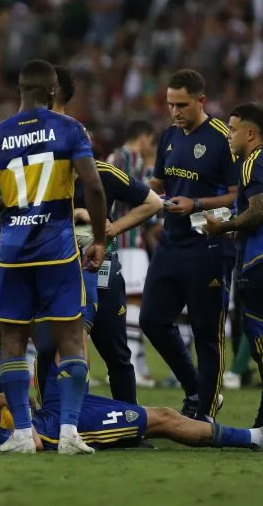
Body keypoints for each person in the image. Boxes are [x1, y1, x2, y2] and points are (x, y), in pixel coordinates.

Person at [0, 59, 107, 455]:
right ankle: (69, 434)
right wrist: (99, 238)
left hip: (12, 255)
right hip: (58, 253)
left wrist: (7, 203)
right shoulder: (70, 129)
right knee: (71, 341)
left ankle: (23, 435)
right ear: (52, 92)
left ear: (20, 91)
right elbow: (93, 188)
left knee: (12, 341)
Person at [37, 65, 163, 405]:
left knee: (116, 352)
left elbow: (152, 203)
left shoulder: (104, 174)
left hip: (101, 268)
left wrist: (111, 227)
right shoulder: (42, 176)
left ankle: (129, 422)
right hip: (55, 268)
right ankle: (59, 416)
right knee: (50, 347)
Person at [0, 365, 263, 453]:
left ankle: (206, 426)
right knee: (162, 420)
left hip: (55, 411)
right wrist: (14, 409)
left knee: (153, 417)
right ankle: (255, 438)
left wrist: (18, 406)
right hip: (64, 426)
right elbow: (26, 442)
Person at [142, 69, 238, 421]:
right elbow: (160, 180)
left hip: (208, 246)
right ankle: (195, 387)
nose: (174, 112)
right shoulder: (168, 136)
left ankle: (206, 414)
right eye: (169, 104)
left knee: (205, 332)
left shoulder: (223, 139)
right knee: (152, 320)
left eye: (181, 105)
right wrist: (149, 191)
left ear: (201, 101)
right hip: (171, 243)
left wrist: (196, 204)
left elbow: (236, 194)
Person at [204, 103, 263, 430]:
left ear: (250, 133)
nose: (229, 136)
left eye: (232, 129)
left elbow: (260, 211)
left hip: (259, 261)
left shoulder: (250, 163)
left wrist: (222, 227)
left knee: (260, 340)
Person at [106, 119, 157, 389]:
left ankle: (137, 364)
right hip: (127, 239)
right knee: (133, 303)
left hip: (125, 241)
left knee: (128, 304)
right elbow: (134, 194)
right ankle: (134, 366)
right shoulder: (128, 157)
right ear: (145, 136)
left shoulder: (117, 156)